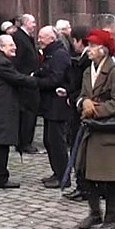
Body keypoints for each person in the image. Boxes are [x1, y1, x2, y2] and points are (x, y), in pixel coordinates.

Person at [76, 29, 115, 229]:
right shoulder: (87, 71)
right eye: (88, 45)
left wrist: (95, 110)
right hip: (91, 132)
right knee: (87, 174)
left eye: (92, 46)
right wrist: (83, 103)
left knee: (110, 177)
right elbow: (81, 96)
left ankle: (111, 217)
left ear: (103, 50)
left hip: (109, 132)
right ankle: (94, 213)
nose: (88, 49)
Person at [0, 35, 38, 189]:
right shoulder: (2, 63)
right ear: (1, 47)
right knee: (0, 144)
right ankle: (0, 178)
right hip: (0, 110)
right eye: (11, 45)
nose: (14, 47)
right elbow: (18, 79)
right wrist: (36, 80)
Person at [34, 26, 72, 188]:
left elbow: (56, 79)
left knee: (57, 142)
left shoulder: (59, 55)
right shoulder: (51, 53)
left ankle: (63, 176)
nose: (39, 40)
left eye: (41, 37)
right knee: (49, 141)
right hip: (50, 105)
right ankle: (57, 172)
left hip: (58, 106)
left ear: (51, 38)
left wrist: (35, 81)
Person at [62, 24, 92, 201]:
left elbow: (83, 86)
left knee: (79, 147)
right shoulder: (85, 58)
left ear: (78, 40)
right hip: (78, 103)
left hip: (81, 108)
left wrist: (72, 96)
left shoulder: (87, 59)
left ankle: (84, 187)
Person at [11, 14, 40, 154]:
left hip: (29, 80)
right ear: (25, 23)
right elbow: (18, 59)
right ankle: (24, 142)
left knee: (30, 112)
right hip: (25, 81)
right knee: (27, 112)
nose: (35, 24)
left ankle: (25, 140)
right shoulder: (19, 37)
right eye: (33, 22)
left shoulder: (26, 36)